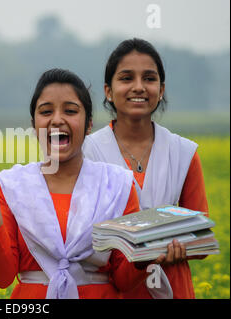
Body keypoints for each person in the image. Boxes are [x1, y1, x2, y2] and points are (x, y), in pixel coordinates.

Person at [0, 68, 180, 299]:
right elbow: (1, 277)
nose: (57, 119)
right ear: (34, 126)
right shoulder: (9, 188)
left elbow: (124, 279)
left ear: (88, 125)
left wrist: (149, 254)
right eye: (46, 112)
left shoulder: (116, 186)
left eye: (70, 111)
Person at [83, 38, 209, 299]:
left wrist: (176, 246)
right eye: (127, 78)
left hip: (173, 285)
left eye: (149, 79)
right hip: (112, 289)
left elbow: (201, 236)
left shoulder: (183, 153)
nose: (138, 87)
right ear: (108, 90)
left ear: (161, 90)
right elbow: (82, 236)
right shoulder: (88, 152)